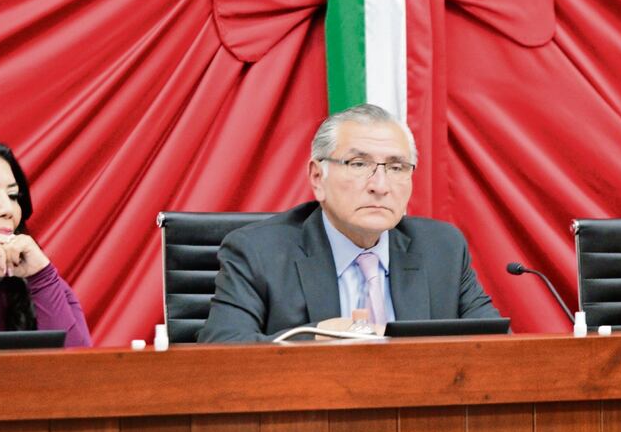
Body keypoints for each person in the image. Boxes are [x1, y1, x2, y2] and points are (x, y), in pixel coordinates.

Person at [199, 104, 500, 342]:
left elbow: (498, 348)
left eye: (396, 167)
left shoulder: (442, 249)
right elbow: (221, 353)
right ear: (318, 178)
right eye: (358, 164)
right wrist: (315, 337)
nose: (380, 185)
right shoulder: (258, 252)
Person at [0, 137, 91, 346]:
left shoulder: (39, 283)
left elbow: (78, 365)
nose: (8, 209)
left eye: (13, 195)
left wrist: (42, 277)